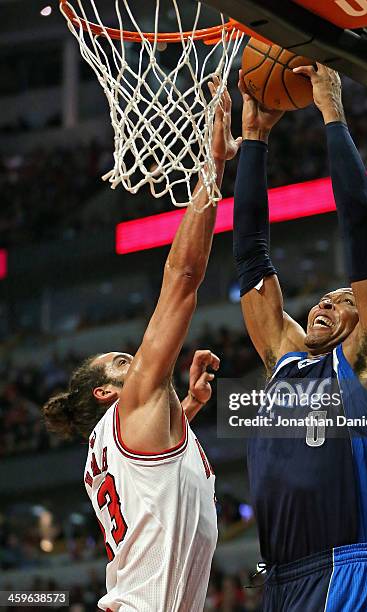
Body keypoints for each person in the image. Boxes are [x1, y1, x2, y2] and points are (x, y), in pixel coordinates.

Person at [42, 81, 241, 612]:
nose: (142, 361)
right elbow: (182, 276)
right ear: (110, 394)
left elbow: (153, 487)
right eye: (124, 363)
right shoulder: (130, 411)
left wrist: (189, 406)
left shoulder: (111, 446)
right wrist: (211, 169)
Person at [233, 65, 367, 611]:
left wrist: (332, 112)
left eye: (345, 299)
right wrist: (255, 140)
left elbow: (360, 232)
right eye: (323, 298)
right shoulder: (282, 355)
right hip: (279, 582)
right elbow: (250, 258)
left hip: (344, 572)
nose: (328, 302)